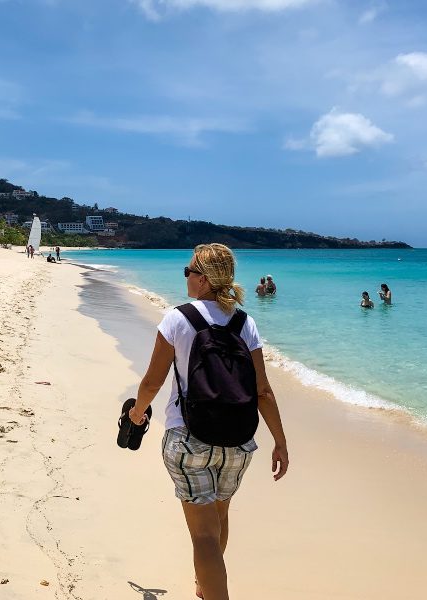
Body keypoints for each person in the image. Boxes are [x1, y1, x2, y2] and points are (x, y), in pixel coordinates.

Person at [129, 243, 288, 600]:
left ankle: (212, 587)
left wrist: (137, 413)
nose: (185, 276)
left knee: (202, 534)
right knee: (219, 520)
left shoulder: (177, 318)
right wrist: (280, 441)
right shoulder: (245, 323)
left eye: (188, 271)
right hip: (238, 442)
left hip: (189, 439)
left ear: (202, 279)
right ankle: (206, 583)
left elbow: (152, 382)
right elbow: (263, 390)